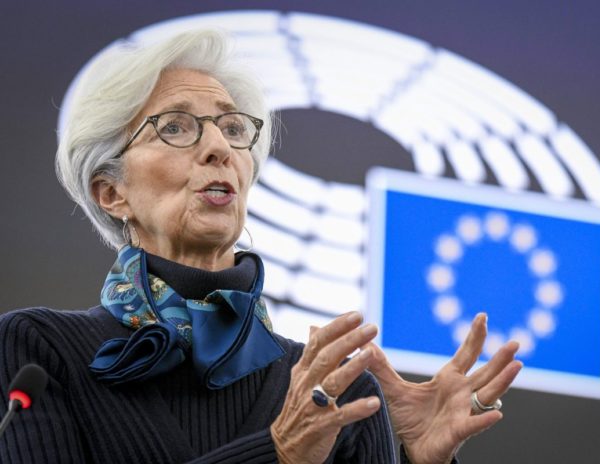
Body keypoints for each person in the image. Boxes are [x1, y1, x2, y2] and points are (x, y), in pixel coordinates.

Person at [0, 30, 521, 463]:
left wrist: (412, 459)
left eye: (233, 128)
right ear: (111, 192)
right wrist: (278, 453)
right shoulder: (39, 352)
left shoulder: (336, 391)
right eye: (175, 126)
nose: (219, 148)